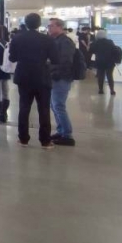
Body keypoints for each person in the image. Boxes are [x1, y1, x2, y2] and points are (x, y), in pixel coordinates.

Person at [8, 13, 57, 149]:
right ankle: (45, 141)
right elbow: (55, 59)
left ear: (26, 23)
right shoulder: (47, 39)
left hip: (23, 77)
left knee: (24, 108)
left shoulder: (17, 38)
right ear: (39, 24)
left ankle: (23, 139)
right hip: (42, 77)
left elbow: (12, 58)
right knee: (44, 109)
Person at [47, 18, 78, 147]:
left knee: (59, 106)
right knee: (54, 106)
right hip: (55, 77)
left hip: (61, 78)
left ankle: (67, 135)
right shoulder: (56, 41)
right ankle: (61, 131)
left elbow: (65, 62)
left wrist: (55, 73)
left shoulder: (65, 42)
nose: (48, 28)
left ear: (59, 27)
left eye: (51, 26)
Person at [91, 29, 120, 96]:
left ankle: (101, 90)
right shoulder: (110, 42)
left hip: (100, 61)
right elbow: (115, 50)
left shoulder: (95, 42)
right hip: (110, 61)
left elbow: (91, 50)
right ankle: (112, 90)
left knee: (100, 76)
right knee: (110, 75)